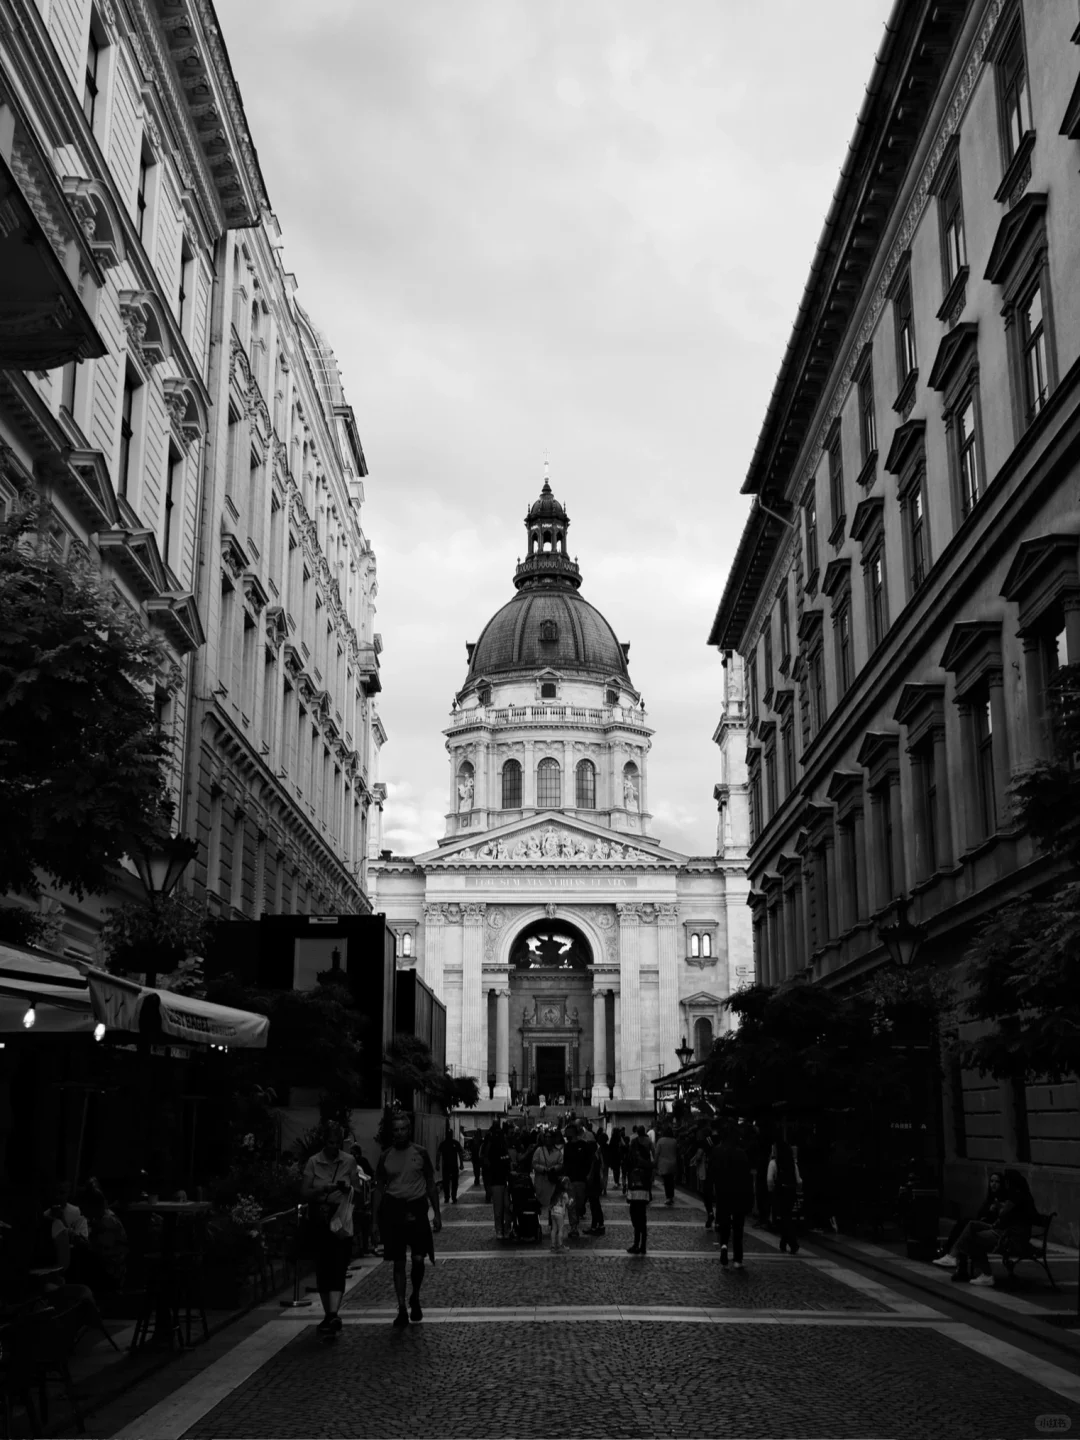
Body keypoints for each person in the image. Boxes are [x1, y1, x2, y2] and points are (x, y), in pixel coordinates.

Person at [372, 1111, 442, 1328]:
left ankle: (415, 1295)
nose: (400, 1133)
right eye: (396, 1130)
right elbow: (379, 1188)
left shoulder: (420, 1153)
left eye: (403, 1129)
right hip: (394, 1210)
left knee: (419, 1259)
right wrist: (375, 1220)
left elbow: (430, 1183)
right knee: (399, 1262)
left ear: (409, 1130)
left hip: (417, 1209)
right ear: (392, 1132)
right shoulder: (385, 1156)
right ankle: (402, 1307)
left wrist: (437, 1213)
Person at [301, 1122, 361, 1337]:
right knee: (323, 1267)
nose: (334, 1147)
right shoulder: (313, 1162)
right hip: (319, 1217)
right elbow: (304, 1192)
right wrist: (323, 1189)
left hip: (339, 1217)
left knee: (338, 1264)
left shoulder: (349, 1161)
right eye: (330, 1142)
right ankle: (329, 1314)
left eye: (337, 1143)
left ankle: (333, 1313)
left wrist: (348, 1188)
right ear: (324, 1142)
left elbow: (358, 1191)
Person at [950, 1169, 1037, 1287]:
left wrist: (998, 1208)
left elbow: (1003, 1214)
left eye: (1004, 1182)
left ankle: (985, 1274)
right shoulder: (1022, 1195)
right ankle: (953, 1255)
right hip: (1006, 1233)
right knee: (970, 1224)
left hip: (1010, 1238)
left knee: (973, 1237)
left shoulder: (1015, 1196)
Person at [933, 1171, 1003, 1270]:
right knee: (962, 1224)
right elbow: (980, 1214)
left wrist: (994, 1211)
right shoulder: (990, 1198)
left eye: (997, 1182)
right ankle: (951, 1254)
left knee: (966, 1226)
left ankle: (948, 1252)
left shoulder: (1002, 1200)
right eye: (991, 1181)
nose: (994, 1184)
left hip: (990, 1227)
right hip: (982, 1223)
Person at [709, 1125, 754, 1269]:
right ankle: (737, 1259)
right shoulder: (741, 1153)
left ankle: (723, 1246)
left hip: (722, 1192)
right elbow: (747, 1177)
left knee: (724, 1222)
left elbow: (711, 1173)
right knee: (738, 1226)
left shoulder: (716, 1151)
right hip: (739, 1193)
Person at [767, 1138, 802, 1255]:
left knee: (783, 1218)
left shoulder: (773, 1163)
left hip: (779, 1192)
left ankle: (793, 1243)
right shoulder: (792, 1164)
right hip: (791, 1193)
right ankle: (783, 1242)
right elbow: (799, 1180)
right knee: (787, 1217)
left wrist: (771, 1190)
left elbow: (769, 1180)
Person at [625, 1127, 654, 1255]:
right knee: (641, 1218)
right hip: (642, 1191)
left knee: (637, 1218)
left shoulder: (636, 1154)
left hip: (637, 1191)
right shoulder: (646, 1149)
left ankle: (638, 1244)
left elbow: (628, 1168)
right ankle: (641, 1245)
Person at [562, 1124, 592, 1239]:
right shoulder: (567, 1146)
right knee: (571, 1204)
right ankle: (573, 1227)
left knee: (580, 1203)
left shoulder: (583, 1145)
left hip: (581, 1179)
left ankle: (576, 1221)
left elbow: (589, 1161)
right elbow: (565, 1162)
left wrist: (588, 1174)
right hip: (570, 1179)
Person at [486, 1119, 512, 1240]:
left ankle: (506, 1228)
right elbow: (487, 1164)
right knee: (499, 1209)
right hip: (496, 1180)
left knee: (507, 1206)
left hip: (505, 1180)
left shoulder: (504, 1147)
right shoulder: (491, 1147)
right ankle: (500, 1230)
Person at [531, 1129, 563, 1227]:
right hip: (541, 1180)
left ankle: (552, 1223)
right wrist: (543, 1169)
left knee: (553, 1202)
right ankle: (536, 1224)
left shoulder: (557, 1152)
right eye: (546, 1137)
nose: (548, 1139)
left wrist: (554, 1168)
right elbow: (534, 1163)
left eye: (550, 1137)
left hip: (552, 1181)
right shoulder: (539, 1150)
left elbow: (561, 1164)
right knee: (539, 1203)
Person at [349, 1144, 375, 1256]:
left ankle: (362, 1246)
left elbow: (366, 1179)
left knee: (361, 1224)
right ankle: (362, 1246)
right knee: (361, 1224)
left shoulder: (359, 1166)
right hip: (358, 1199)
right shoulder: (355, 1166)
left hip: (360, 1199)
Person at [691, 1125, 715, 1228]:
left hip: (706, 1172)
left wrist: (694, 1161)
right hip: (715, 1170)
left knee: (706, 1194)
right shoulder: (714, 1141)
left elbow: (699, 1156)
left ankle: (710, 1213)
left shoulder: (704, 1143)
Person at [436, 1128, 464, 1205]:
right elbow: (460, 1153)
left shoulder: (445, 1143)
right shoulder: (451, 1143)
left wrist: (437, 1163)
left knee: (449, 1182)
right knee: (449, 1182)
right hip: (449, 1166)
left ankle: (450, 1197)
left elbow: (460, 1153)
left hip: (450, 1166)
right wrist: (461, 1164)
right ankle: (450, 1197)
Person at [655, 1123, 678, 1206]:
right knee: (671, 1181)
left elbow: (657, 1153)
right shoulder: (674, 1141)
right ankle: (671, 1196)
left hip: (664, 1164)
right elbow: (676, 1152)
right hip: (673, 1163)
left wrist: (655, 1162)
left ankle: (668, 1197)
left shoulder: (661, 1141)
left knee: (666, 1181)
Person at [550, 1177, 572, 1253]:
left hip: (553, 1212)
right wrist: (571, 1201)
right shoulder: (564, 1194)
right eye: (567, 1184)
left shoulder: (555, 1193)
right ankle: (560, 1245)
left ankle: (553, 1246)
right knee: (560, 1229)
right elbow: (568, 1203)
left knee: (554, 1229)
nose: (568, 1186)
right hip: (560, 1213)